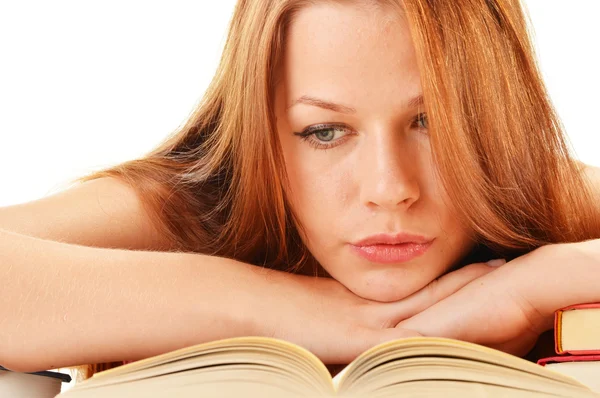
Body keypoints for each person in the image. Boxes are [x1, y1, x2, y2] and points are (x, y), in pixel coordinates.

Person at [1, 0, 599, 382]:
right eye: (324, 131)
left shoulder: (524, 189)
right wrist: (287, 309)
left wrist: (529, 289)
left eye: (433, 123)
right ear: (261, 133)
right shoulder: (206, 200)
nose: (389, 190)